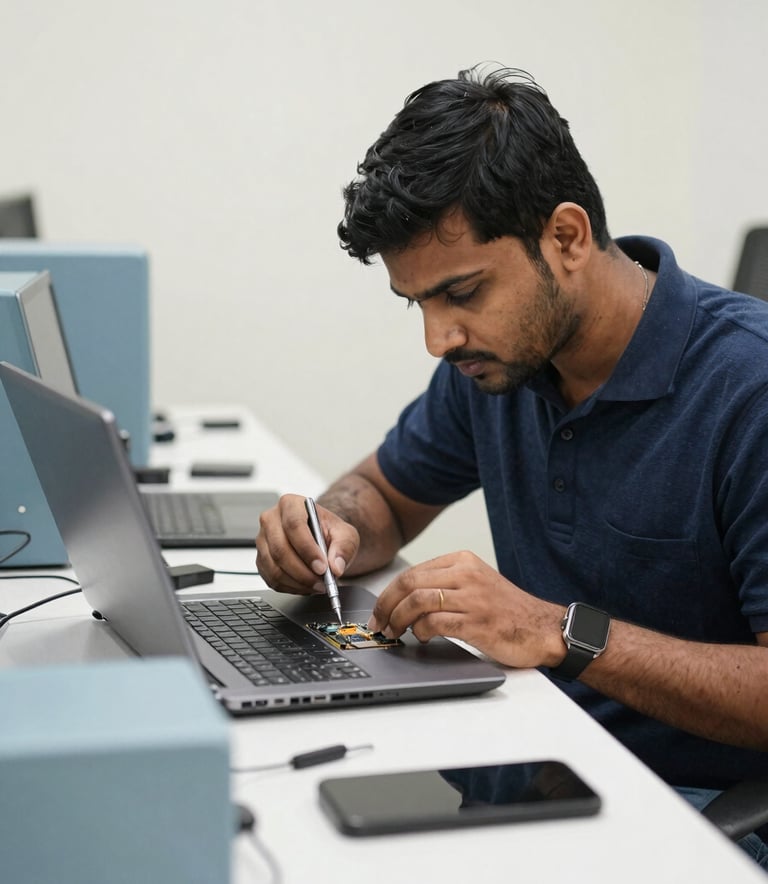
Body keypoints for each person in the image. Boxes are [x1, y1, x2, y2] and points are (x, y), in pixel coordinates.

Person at [255, 65, 768, 864]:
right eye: (417, 303)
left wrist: (559, 632)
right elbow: (384, 499)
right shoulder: (500, 364)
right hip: (534, 763)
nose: (438, 338)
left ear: (565, 237)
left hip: (694, 813)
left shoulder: (749, 389)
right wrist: (332, 526)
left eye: (461, 293)